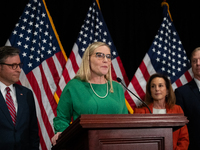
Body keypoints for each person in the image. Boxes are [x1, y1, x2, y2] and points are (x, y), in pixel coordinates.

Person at [51, 42, 128, 145]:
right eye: (99, 55)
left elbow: (125, 121)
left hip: (115, 144)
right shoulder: (74, 86)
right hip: (83, 144)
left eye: (108, 56)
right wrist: (63, 134)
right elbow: (62, 118)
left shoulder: (117, 88)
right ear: (88, 60)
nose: (105, 60)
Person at [134, 73, 189, 150]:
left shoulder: (177, 110)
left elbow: (184, 139)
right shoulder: (140, 112)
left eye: (160, 85)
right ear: (150, 91)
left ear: (167, 91)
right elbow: (136, 139)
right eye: (153, 86)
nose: (157, 89)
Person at [0, 46, 39, 150]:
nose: (19, 70)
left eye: (19, 65)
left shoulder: (26, 94)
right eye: (13, 66)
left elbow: (33, 131)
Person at [175, 47, 200, 150]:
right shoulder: (181, 93)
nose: (198, 63)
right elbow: (180, 128)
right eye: (194, 61)